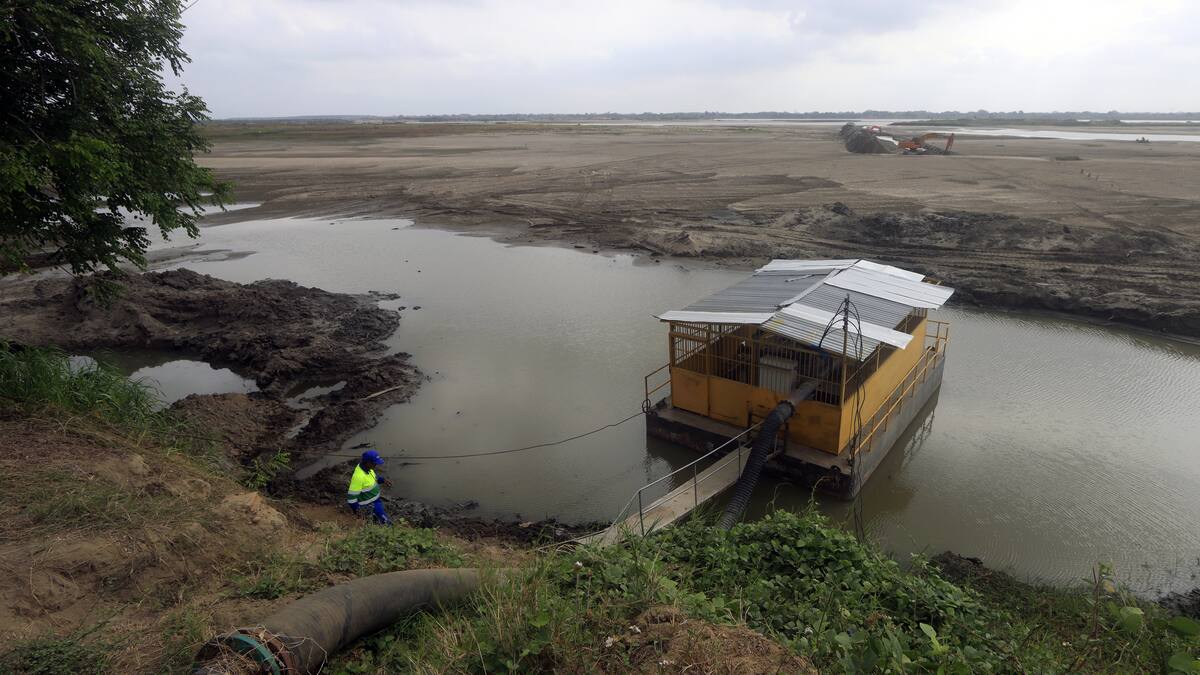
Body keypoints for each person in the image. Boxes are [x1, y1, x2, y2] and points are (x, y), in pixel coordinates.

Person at [346, 449, 392, 525]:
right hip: (369, 506)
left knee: (375, 523)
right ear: (368, 462)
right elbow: (351, 499)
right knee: (386, 523)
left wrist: (383, 480)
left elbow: (373, 478)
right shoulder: (359, 477)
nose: (376, 465)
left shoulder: (368, 469)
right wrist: (358, 512)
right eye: (374, 463)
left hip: (376, 501)